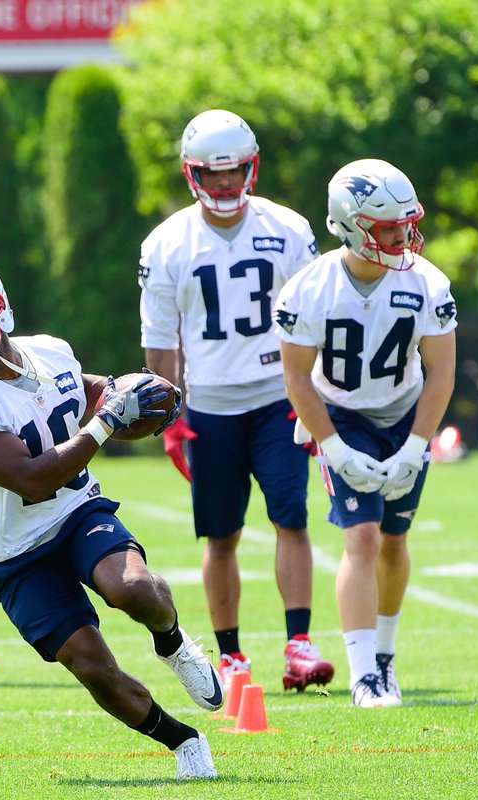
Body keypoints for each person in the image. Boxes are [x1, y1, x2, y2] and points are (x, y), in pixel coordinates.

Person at [0, 255, 221, 780]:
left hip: (77, 513)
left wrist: (136, 397)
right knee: (91, 667)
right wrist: (106, 423)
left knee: (134, 590)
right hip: (17, 554)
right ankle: (183, 740)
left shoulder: (50, 351)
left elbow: (94, 395)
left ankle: (173, 641)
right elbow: (34, 477)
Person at [137, 108, 333, 693]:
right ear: (191, 173)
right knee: (219, 534)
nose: (224, 185)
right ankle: (232, 655)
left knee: (290, 518)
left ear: (252, 167)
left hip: (280, 398)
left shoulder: (290, 229)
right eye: (211, 174)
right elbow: (159, 338)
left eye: (234, 172)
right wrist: (170, 417)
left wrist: (317, 396)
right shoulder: (167, 242)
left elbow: (314, 321)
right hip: (210, 406)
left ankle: (299, 644)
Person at [273, 158, 457, 708]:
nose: (403, 236)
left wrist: (418, 445)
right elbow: (296, 376)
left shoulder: (428, 283)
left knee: (395, 541)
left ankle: (384, 656)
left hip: (405, 409)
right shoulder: (308, 290)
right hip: (341, 411)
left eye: (407, 223)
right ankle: (363, 675)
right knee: (363, 536)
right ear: (350, 225)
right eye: (387, 227)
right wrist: (330, 444)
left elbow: (441, 371)